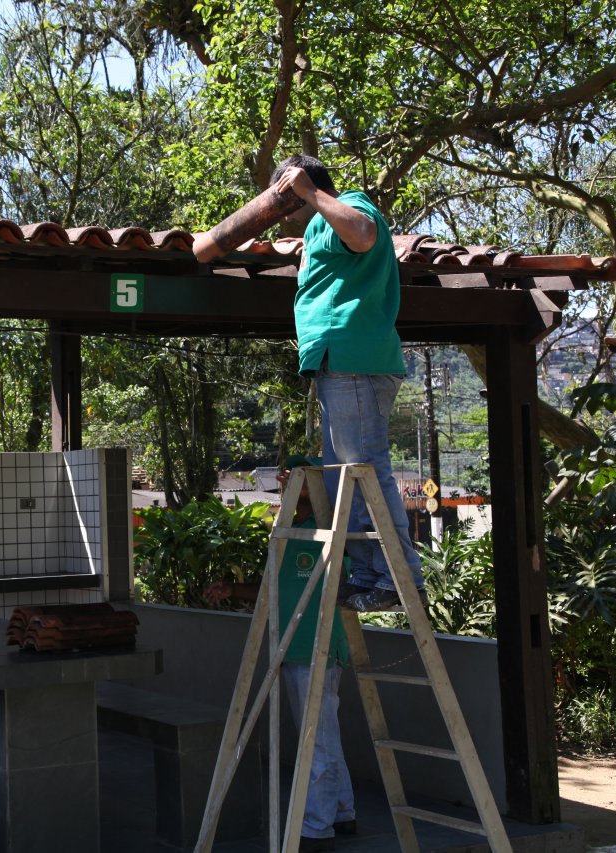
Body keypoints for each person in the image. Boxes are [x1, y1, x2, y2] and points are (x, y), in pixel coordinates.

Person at [199, 154, 425, 612]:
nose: (281, 212)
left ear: (299, 185)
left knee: (365, 471)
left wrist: (308, 193)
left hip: (355, 361)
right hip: (336, 364)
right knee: (347, 478)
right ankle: (368, 574)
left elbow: (363, 235)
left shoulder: (350, 205)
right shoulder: (318, 231)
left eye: (284, 200)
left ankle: (398, 579)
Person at [206, 456, 356, 852]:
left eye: (298, 474)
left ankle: (315, 829)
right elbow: (275, 587)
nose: (286, 478)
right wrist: (233, 590)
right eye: (285, 473)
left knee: (316, 741)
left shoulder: (327, 527)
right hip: (290, 646)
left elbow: (345, 576)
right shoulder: (287, 531)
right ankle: (342, 812)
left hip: (317, 648)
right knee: (324, 736)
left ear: (315, 483)